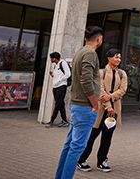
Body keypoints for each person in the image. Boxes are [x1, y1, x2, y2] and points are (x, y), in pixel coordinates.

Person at [55, 26, 103, 179]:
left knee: (70, 145)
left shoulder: (80, 52)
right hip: (84, 107)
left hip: (77, 105)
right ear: (99, 39)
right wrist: (95, 104)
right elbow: (86, 79)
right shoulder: (90, 53)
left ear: (85, 39)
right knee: (77, 147)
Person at [77, 49, 127, 172]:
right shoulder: (101, 73)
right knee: (92, 136)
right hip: (101, 110)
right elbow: (100, 90)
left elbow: (123, 90)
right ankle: (81, 160)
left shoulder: (122, 74)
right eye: (116, 57)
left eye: (119, 58)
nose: (118, 60)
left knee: (107, 137)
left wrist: (110, 97)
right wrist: (108, 106)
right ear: (109, 58)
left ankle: (102, 161)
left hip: (114, 110)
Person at [46, 52, 71, 128]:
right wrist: (53, 76)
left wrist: (60, 80)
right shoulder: (55, 66)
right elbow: (58, 75)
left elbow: (68, 74)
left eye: (51, 58)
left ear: (54, 58)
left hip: (61, 86)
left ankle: (51, 121)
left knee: (57, 104)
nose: (50, 60)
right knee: (60, 103)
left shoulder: (62, 63)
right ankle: (64, 121)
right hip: (55, 86)